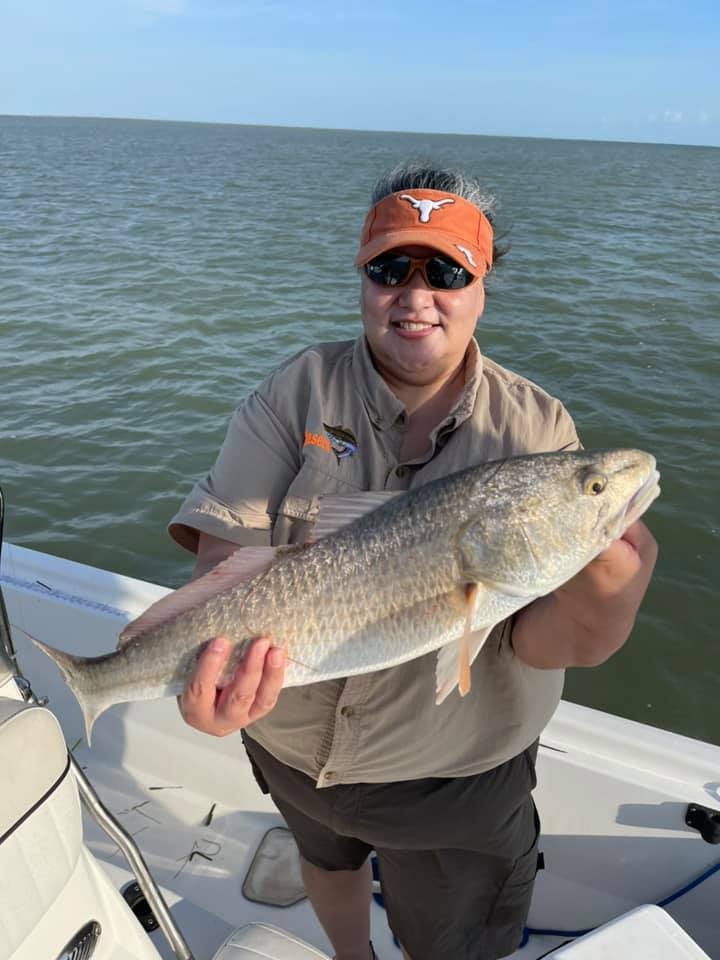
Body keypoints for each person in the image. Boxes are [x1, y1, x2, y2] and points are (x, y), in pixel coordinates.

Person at [168, 162, 658, 960]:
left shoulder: (537, 434)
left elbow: (542, 641)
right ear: (363, 279)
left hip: (451, 782)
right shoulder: (295, 390)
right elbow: (226, 559)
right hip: (289, 744)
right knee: (325, 863)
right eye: (391, 268)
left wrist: (611, 593)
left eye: (447, 271)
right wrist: (212, 677)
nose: (415, 293)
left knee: (453, 941)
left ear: (482, 284)